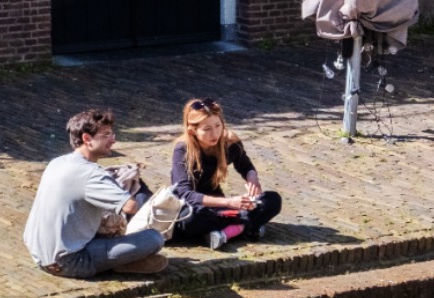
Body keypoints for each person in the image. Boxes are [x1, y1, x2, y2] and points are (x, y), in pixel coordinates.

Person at [23, 109, 167, 277]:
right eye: (106, 135)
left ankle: (121, 260)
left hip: (38, 255)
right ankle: (119, 263)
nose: (113, 140)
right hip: (70, 261)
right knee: (154, 238)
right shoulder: (91, 173)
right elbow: (130, 207)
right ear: (87, 139)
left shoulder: (57, 162)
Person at [171, 98, 283, 250]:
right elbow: (184, 194)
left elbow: (244, 163)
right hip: (195, 208)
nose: (214, 133)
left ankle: (225, 231)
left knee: (272, 200)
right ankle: (245, 227)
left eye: (218, 125)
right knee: (190, 220)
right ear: (193, 131)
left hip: (221, 208)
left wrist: (252, 176)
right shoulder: (182, 149)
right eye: (207, 129)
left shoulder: (229, 142)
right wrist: (229, 203)